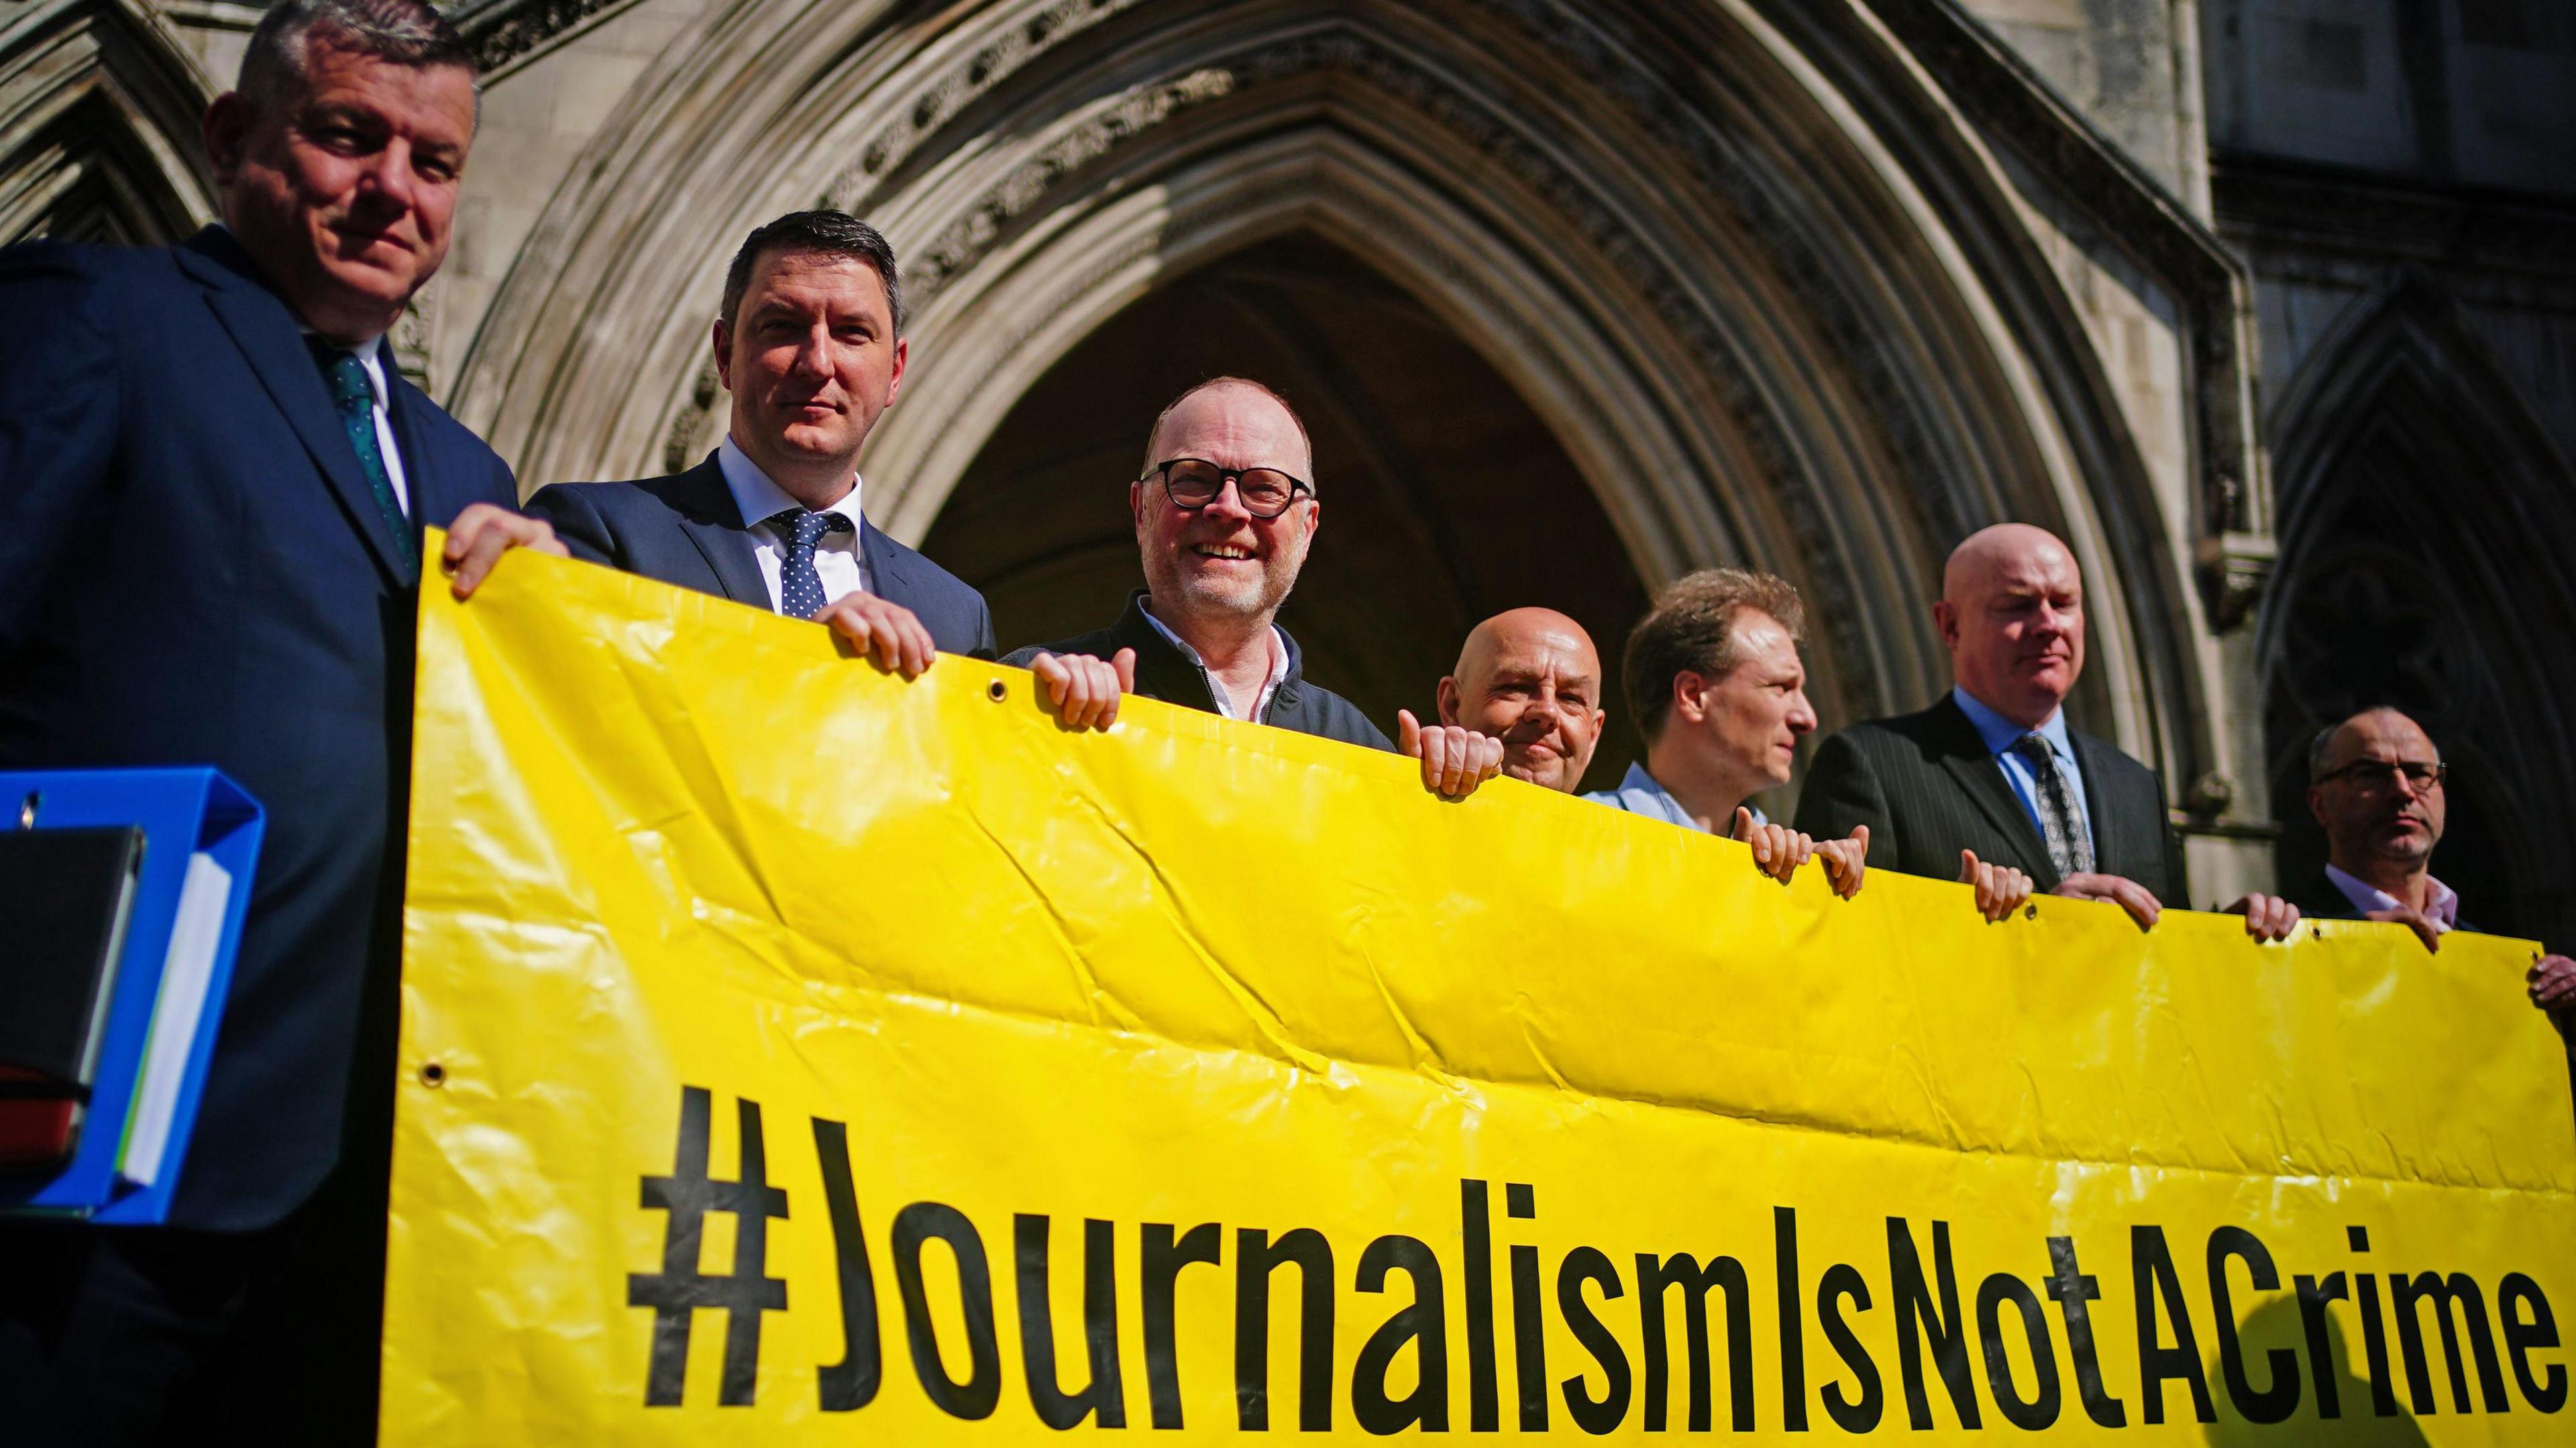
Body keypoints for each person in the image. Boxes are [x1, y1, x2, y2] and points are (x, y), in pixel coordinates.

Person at [0, 2, 561, 1440]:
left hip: (375, 1192)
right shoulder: (98, 318)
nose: (394, 189)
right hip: (99, 1147)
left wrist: (561, 639)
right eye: (346, 135)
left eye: (434, 161)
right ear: (232, 137)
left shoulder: (468, 468)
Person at [527, 209, 1030, 689]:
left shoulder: (955, 614)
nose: (817, 362)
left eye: (852, 333)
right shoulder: (599, 532)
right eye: (782, 327)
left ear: (895, 372)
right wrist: (802, 659)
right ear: (725, 355)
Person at [1795, 523, 2299, 939]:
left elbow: (2168, 956)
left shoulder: (2134, 785)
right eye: (2017, 605)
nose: (2048, 624)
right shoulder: (1874, 765)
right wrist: (2035, 925)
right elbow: (1842, 948)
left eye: (2064, 603)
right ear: (1949, 626)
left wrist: (2228, 940)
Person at [1002, 378, 1503, 795]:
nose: (1229, 507)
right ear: (1140, 510)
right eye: (1194, 478)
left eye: (1264, 488)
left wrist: (1454, 803)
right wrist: (1031, 731)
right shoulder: (1031, 692)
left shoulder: (1360, 749)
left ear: (1307, 530)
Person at [1582, 570, 1892, 902]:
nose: (1808, 719)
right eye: (1780, 687)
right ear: (1693, 696)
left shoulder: (1793, 871)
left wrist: (1821, 895)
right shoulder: (1582, 839)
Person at [2303, 707, 2575, 1032]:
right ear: (2320, 805)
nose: (2403, 790)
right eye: (2370, 774)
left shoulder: (2506, 968)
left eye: (2419, 773)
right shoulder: (2285, 941)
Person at [1435, 608, 1607, 793]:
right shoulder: (1403, 808)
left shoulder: (1624, 822)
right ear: (1453, 706)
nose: (1547, 711)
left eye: (1571, 698)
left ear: (1592, 736)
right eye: (1516, 687)